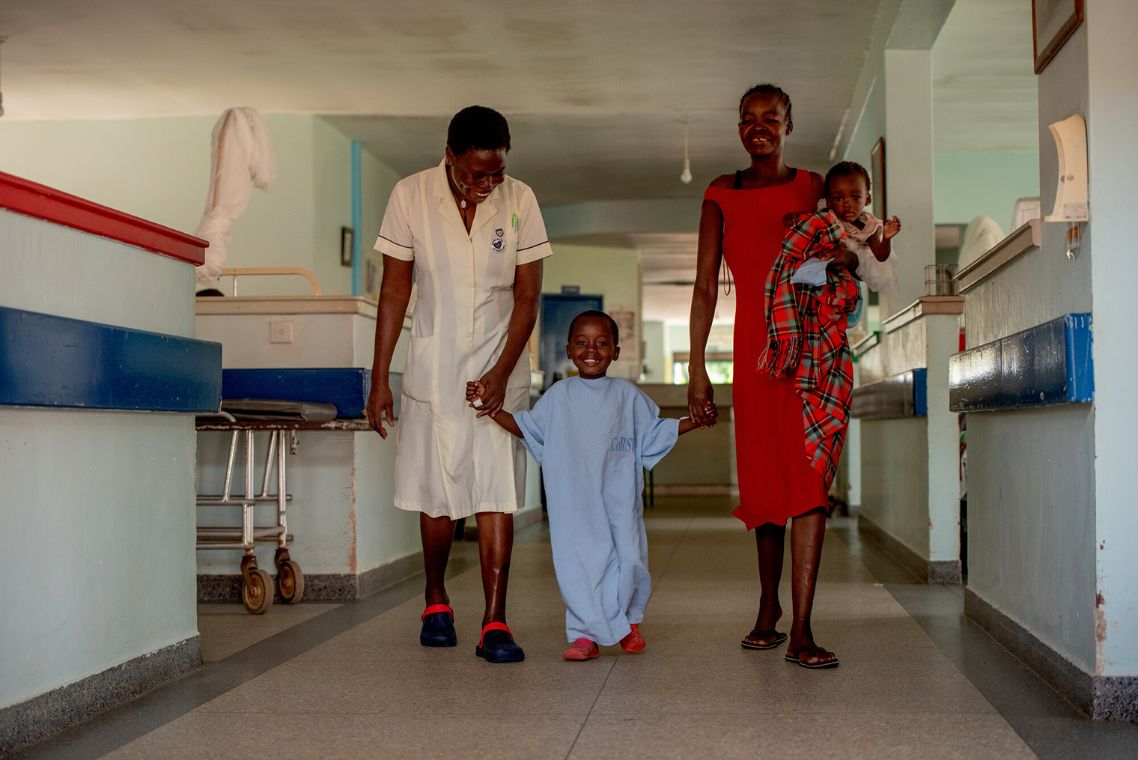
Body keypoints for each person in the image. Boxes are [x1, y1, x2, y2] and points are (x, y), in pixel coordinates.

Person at [365, 105, 553, 664]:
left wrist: (500, 373)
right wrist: (381, 378)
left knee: (497, 490)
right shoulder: (411, 195)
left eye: (496, 171)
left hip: (503, 359)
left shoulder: (520, 200)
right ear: (450, 156)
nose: (488, 182)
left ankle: (495, 619)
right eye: (477, 173)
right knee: (437, 490)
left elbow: (527, 296)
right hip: (434, 363)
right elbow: (395, 292)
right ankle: (436, 599)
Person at [687, 84, 859, 670]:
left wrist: (845, 260)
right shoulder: (719, 193)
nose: (758, 127)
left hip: (811, 349)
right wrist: (697, 370)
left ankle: (805, 627)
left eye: (771, 118)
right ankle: (769, 609)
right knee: (763, 484)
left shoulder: (814, 186)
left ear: (789, 124)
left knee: (809, 479)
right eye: (748, 119)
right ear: (738, 127)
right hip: (755, 354)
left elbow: (852, 242)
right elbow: (706, 284)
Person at [467, 310, 716, 661]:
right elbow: (528, 429)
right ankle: (585, 634)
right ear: (569, 350)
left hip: (619, 500)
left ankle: (629, 620)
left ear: (616, 351)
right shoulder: (559, 396)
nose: (591, 350)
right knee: (580, 564)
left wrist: (696, 422)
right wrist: (488, 407)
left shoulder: (627, 396)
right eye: (582, 343)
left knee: (630, 558)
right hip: (574, 504)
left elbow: (655, 433)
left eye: (602, 343)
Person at [824, 160, 901, 294]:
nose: (847, 204)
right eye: (838, 198)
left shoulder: (869, 226)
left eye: (855, 197)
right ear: (829, 201)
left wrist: (887, 238)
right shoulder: (826, 217)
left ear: (867, 199)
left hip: (848, 289)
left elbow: (881, 256)